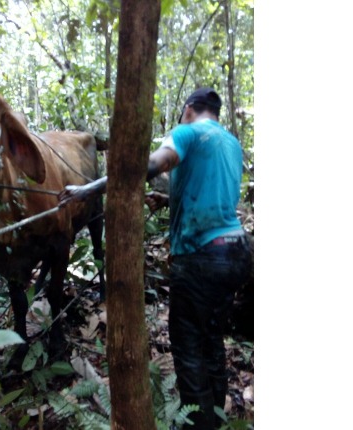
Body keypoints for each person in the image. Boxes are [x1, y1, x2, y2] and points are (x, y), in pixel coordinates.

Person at [59, 88, 252, 429]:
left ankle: (197, 424)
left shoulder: (187, 132)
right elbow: (207, 190)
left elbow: (148, 165)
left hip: (201, 256)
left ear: (189, 109)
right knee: (212, 337)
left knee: (188, 345)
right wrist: (165, 201)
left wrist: (89, 189)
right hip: (237, 250)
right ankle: (216, 417)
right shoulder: (231, 143)